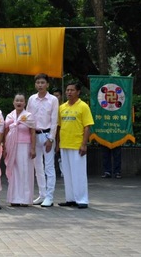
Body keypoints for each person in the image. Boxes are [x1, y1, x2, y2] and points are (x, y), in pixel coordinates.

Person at [57, 81, 94, 209]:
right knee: (67, 174)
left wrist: (84, 144)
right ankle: (70, 198)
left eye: (72, 90)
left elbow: (87, 127)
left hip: (77, 145)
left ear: (78, 92)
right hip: (64, 144)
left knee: (79, 173)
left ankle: (82, 199)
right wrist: (58, 144)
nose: (69, 92)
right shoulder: (62, 107)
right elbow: (59, 127)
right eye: (67, 90)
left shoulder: (83, 106)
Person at [26, 73, 59, 207]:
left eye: (42, 82)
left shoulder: (53, 100)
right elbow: (27, 117)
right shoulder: (32, 99)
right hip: (34, 135)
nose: (40, 85)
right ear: (35, 84)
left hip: (46, 136)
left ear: (47, 84)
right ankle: (42, 194)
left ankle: (50, 197)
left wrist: (51, 138)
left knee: (49, 167)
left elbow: (54, 120)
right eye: (38, 82)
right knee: (37, 166)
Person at [3, 93, 36, 206]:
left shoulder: (29, 116)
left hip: (25, 146)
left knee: (25, 171)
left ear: (25, 103)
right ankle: (14, 199)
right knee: (14, 171)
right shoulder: (9, 116)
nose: (19, 103)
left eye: (21, 101)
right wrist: (5, 148)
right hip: (12, 146)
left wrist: (33, 148)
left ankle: (25, 199)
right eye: (17, 100)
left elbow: (32, 132)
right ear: (13, 102)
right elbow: (5, 131)